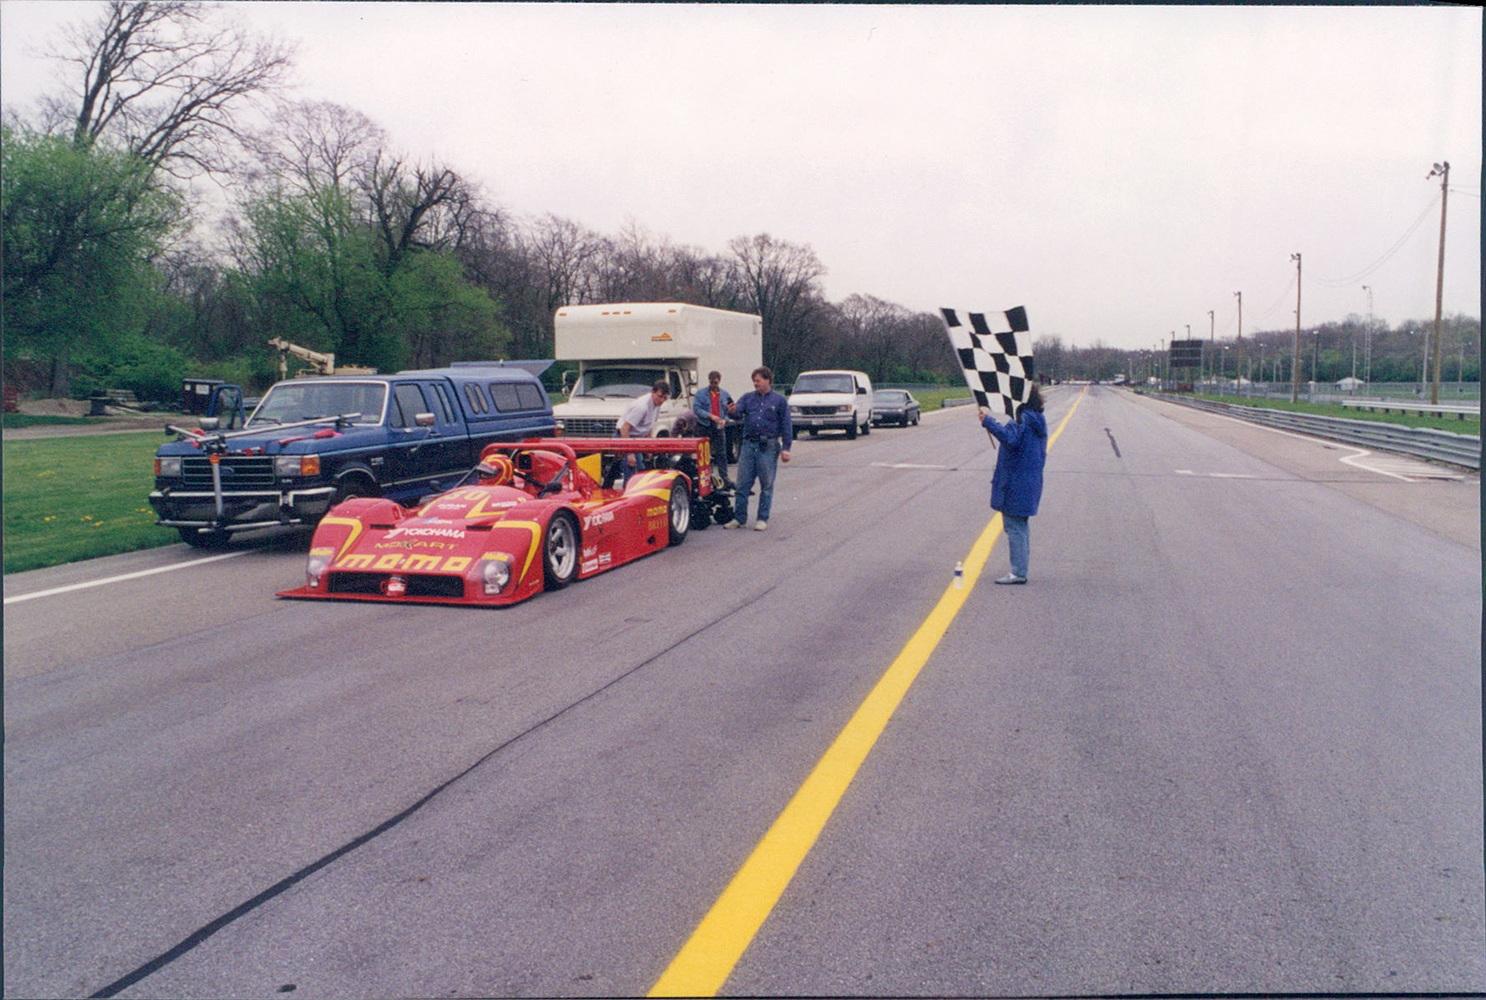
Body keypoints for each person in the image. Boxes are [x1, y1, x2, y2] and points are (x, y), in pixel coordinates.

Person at [978, 383, 1047, 584]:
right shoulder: (1036, 418)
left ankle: (1018, 572)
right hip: (1029, 481)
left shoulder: (1022, 419)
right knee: (1021, 526)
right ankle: (1020, 568)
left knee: (1014, 527)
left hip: (1016, 482)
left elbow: (1010, 438)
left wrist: (988, 422)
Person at [725, 366, 792, 531]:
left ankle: (762, 518)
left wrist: (786, 447)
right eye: (754, 381)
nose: (755, 384)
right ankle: (739, 518)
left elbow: (786, 425)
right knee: (742, 484)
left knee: (766, 484)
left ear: (767, 380)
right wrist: (732, 411)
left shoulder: (779, 401)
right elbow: (737, 413)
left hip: (768, 446)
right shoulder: (747, 398)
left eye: (758, 380)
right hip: (748, 445)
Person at [615, 380, 669, 482]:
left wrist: (648, 447)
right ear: (653, 392)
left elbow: (649, 427)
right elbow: (624, 428)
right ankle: (627, 496)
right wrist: (630, 453)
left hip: (636, 439)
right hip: (624, 437)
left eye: (665, 398)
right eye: (660, 396)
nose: (662, 400)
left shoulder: (657, 405)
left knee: (640, 470)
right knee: (631, 472)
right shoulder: (641, 407)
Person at [691, 370, 734, 477]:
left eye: (716, 383)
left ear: (719, 381)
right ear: (709, 381)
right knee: (704, 454)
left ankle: (724, 478)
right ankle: (706, 476)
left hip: (718, 426)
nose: (714, 385)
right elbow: (696, 409)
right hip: (704, 426)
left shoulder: (725, 394)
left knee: (721, 453)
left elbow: (731, 409)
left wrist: (725, 419)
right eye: (712, 383)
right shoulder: (701, 393)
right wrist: (710, 415)